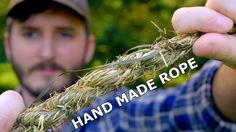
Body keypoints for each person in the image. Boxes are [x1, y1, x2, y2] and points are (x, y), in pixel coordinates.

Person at [1, 0, 236, 131]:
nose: (47, 51)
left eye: (64, 34)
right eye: (30, 34)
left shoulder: (118, 113)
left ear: (89, 46)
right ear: (8, 44)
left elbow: (196, 106)